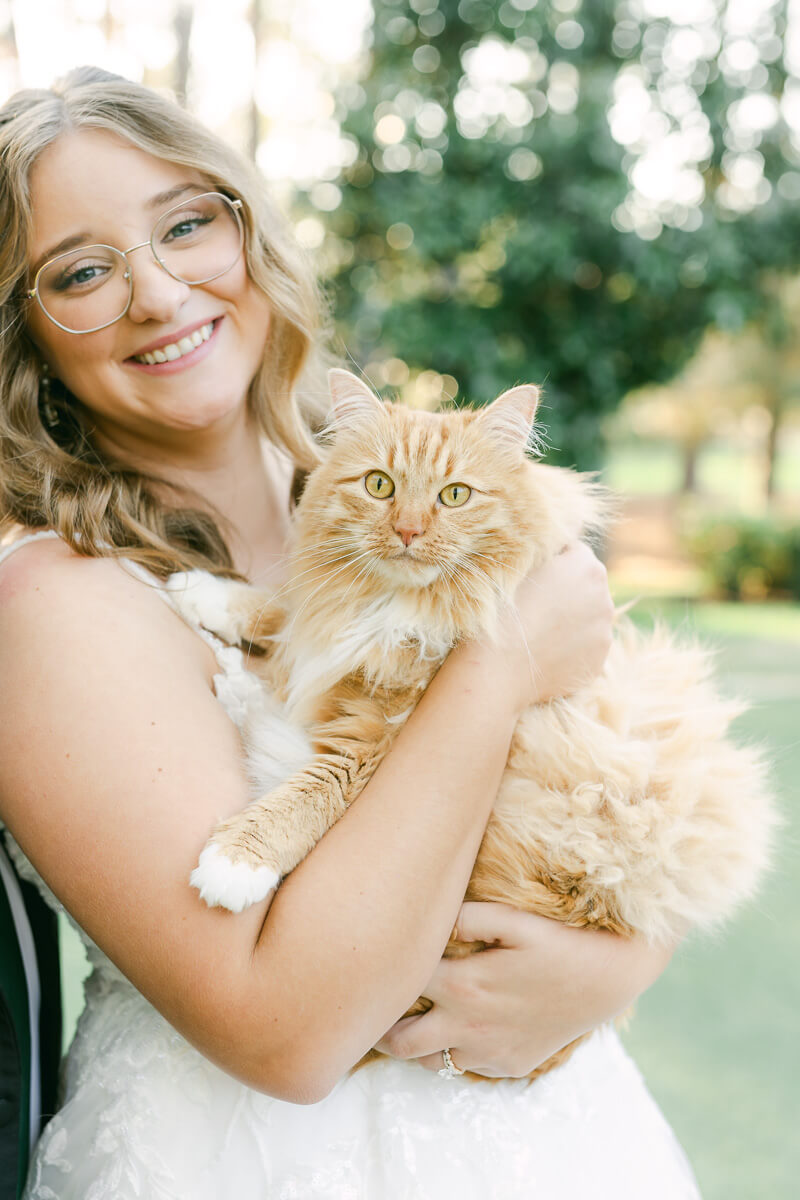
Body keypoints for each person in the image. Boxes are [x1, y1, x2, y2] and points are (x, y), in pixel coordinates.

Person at [0, 67, 701, 1199]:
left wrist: (611, 968)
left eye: (186, 226)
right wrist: (500, 662)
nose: (159, 292)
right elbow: (285, 1035)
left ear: (248, 238)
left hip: (552, 1146)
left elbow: (620, 802)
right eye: (80, 272)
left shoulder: (404, 496)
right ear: (24, 341)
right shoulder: (55, 602)